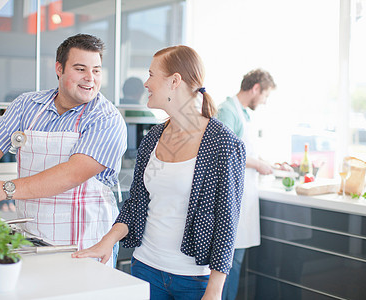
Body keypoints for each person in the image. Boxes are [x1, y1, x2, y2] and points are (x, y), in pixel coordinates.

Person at [72, 45, 246, 300]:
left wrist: (215, 291)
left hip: (194, 279)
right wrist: (107, 241)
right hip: (145, 269)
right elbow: (136, 203)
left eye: (152, 74)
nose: (146, 82)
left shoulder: (224, 144)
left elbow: (226, 223)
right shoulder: (153, 137)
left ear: (175, 81)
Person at [0, 34, 127, 267]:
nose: (90, 78)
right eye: (80, 69)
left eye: (96, 70)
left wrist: (3, 189)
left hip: (87, 244)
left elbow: (71, 174)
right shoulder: (27, 105)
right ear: (59, 68)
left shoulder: (106, 118)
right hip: (32, 239)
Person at [217, 69, 276, 299]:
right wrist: (258, 165)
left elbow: (244, 151)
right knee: (227, 264)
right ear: (256, 88)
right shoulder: (227, 111)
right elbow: (226, 152)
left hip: (244, 197)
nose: (264, 101)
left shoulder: (243, 113)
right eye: (265, 96)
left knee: (235, 261)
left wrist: (262, 162)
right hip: (232, 197)